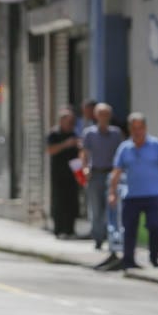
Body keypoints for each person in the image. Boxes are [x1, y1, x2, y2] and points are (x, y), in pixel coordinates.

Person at [109, 112, 158, 269]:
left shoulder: (156, 145)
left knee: (155, 225)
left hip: (152, 194)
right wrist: (112, 192)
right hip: (132, 195)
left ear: (145, 128)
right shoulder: (125, 148)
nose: (137, 131)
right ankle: (128, 259)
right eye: (134, 128)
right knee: (129, 228)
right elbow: (116, 171)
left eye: (140, 128)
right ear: (130, 129)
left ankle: (154, 257)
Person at [80, 102, 123, 257]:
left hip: (110, 173)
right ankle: (98, 237)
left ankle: (111, 237)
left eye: (106, 114)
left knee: (111, 207)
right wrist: (85, 168)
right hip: (95, 174)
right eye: (101, 114)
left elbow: (120, 154)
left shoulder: (116, 134)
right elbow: (84, 153)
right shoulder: (89, 133)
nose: (103, 117)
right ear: (96, 116)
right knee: (96, 207)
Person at [46, 108, 81, 239]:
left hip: (73, 173)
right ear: (61, 121)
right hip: (58, 174)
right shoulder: (54, 134)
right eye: (68, 121)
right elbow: (50, 150)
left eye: (72, 121)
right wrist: (66, 144)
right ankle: (59, 229)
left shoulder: (74, 133)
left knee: (72, 201)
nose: (71, 124)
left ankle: (70, 229)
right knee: (59, 201)